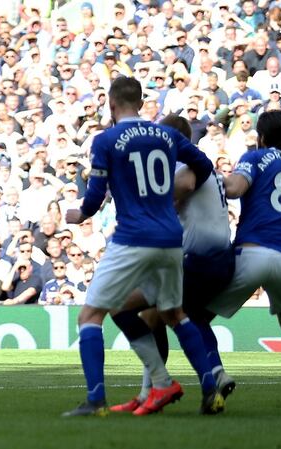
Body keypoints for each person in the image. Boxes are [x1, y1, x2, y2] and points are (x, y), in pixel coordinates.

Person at [62, 77, 224, 417]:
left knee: (90, 316)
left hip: (133, 237)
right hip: (170, 239)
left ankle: (95, 401)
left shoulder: (106, 139)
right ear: (139, 102)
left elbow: (93, 198)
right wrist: (175, 191)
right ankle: (204, 388)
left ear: (111, 103)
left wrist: (78, 215)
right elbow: (204, 164)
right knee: (174, 314)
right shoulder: (166, 135)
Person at [108, 114, 236, 414]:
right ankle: (155, 392)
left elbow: (186, 185)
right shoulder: (203, 169)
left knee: (123, 305)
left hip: (199, 261)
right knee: (157, 317)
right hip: (217, 259)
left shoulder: (181, 165)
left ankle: (183, 386)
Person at [202, 111, 281, 414]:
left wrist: (204, 176)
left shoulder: (255, 158)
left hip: (251, 252)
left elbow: (234, 189)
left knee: (195, 318)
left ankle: (218, 373)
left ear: (262, 138)